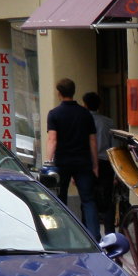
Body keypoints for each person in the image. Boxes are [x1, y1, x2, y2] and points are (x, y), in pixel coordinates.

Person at [45, 78, 99, 237]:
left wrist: (49, 163)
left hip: (63, 162)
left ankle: (64, 234)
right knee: (88, 200)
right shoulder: (85, 114)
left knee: (61, 201)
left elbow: (52, 140)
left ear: (59, 93)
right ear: (73, 92)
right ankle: (95, 236)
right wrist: (95, 164)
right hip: (83, 161)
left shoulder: (54, 114)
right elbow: (93, 141)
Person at [82, 92, 114, 234]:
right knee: (107, 198)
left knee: (88, 197)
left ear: (85, 104)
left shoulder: (82, 121)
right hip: (106, 163)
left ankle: (89, 232)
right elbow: (115, 147)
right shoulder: (108, 122)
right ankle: (110, 231)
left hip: (87, 163)